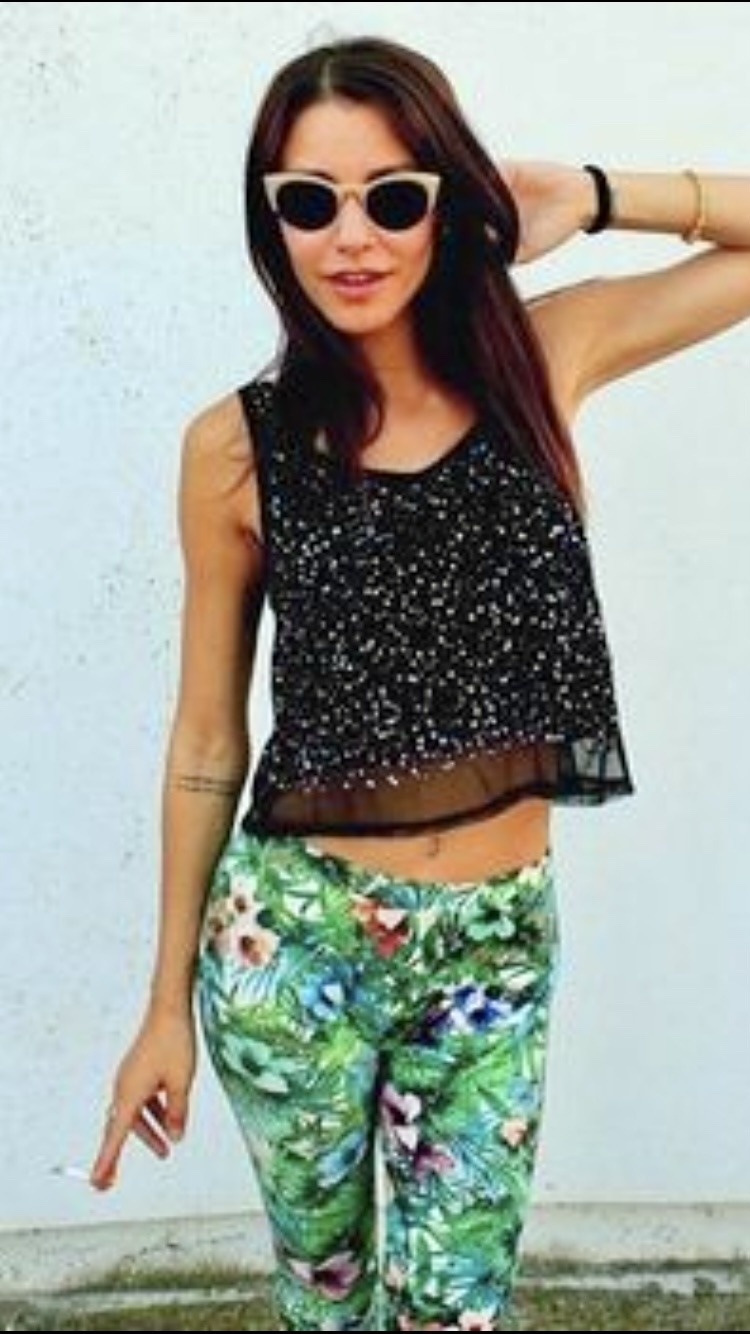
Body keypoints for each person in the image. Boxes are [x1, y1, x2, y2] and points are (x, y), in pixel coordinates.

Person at [89, 33, 750, 1333]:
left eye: (393, 196)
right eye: (309, 201)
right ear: (270, 220)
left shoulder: (543, 362)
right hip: (294, 947)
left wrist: (594, 194)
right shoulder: (232, 450)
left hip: (497, 943)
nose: (352, 237)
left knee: (457, 1308)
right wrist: (163, 1008)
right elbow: (207, 742)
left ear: (446, 203)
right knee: (325, 1301)